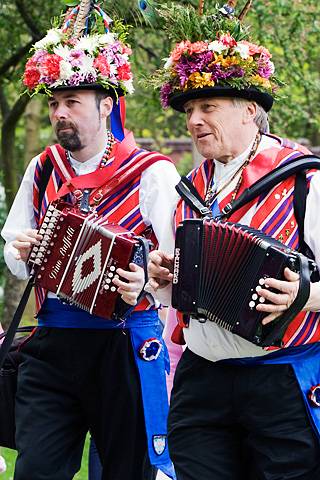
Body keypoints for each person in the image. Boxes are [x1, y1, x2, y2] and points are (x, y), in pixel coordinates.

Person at [1, 3, 179, 479]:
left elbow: (177, 265)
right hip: (53, 341)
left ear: (106, 105)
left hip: (122, 344)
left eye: (73, 102)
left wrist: (145, 280)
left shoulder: (152, 172)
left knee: (128, 471)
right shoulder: (42, 168)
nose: (60, 113)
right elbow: (12, 246)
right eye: (55, 103)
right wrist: (21, 251)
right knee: (36, 469)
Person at [147, 2, 320, 479]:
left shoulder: (304, 181)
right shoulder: (188, 190)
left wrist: (306, 294)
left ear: (249, 111)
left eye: (208, 107)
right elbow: (172, 285)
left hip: (282, 379)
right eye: (189, 110)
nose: (195, 120)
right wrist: (161, 277)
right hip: (202, 378)